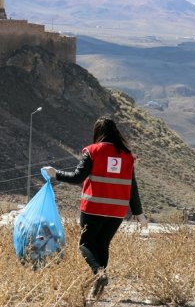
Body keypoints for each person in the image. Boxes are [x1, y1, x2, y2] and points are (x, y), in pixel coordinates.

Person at [43, 116, 147, 300]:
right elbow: (133, 186)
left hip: (94, 207)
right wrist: (139, 213)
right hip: (117, 212)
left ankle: (99, 274)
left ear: (98, 133)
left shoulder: (92, 151)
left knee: (85, 244)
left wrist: (55, 173)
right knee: (102, 245)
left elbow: (77, 177)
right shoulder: (128, 157)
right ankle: (98, 291)